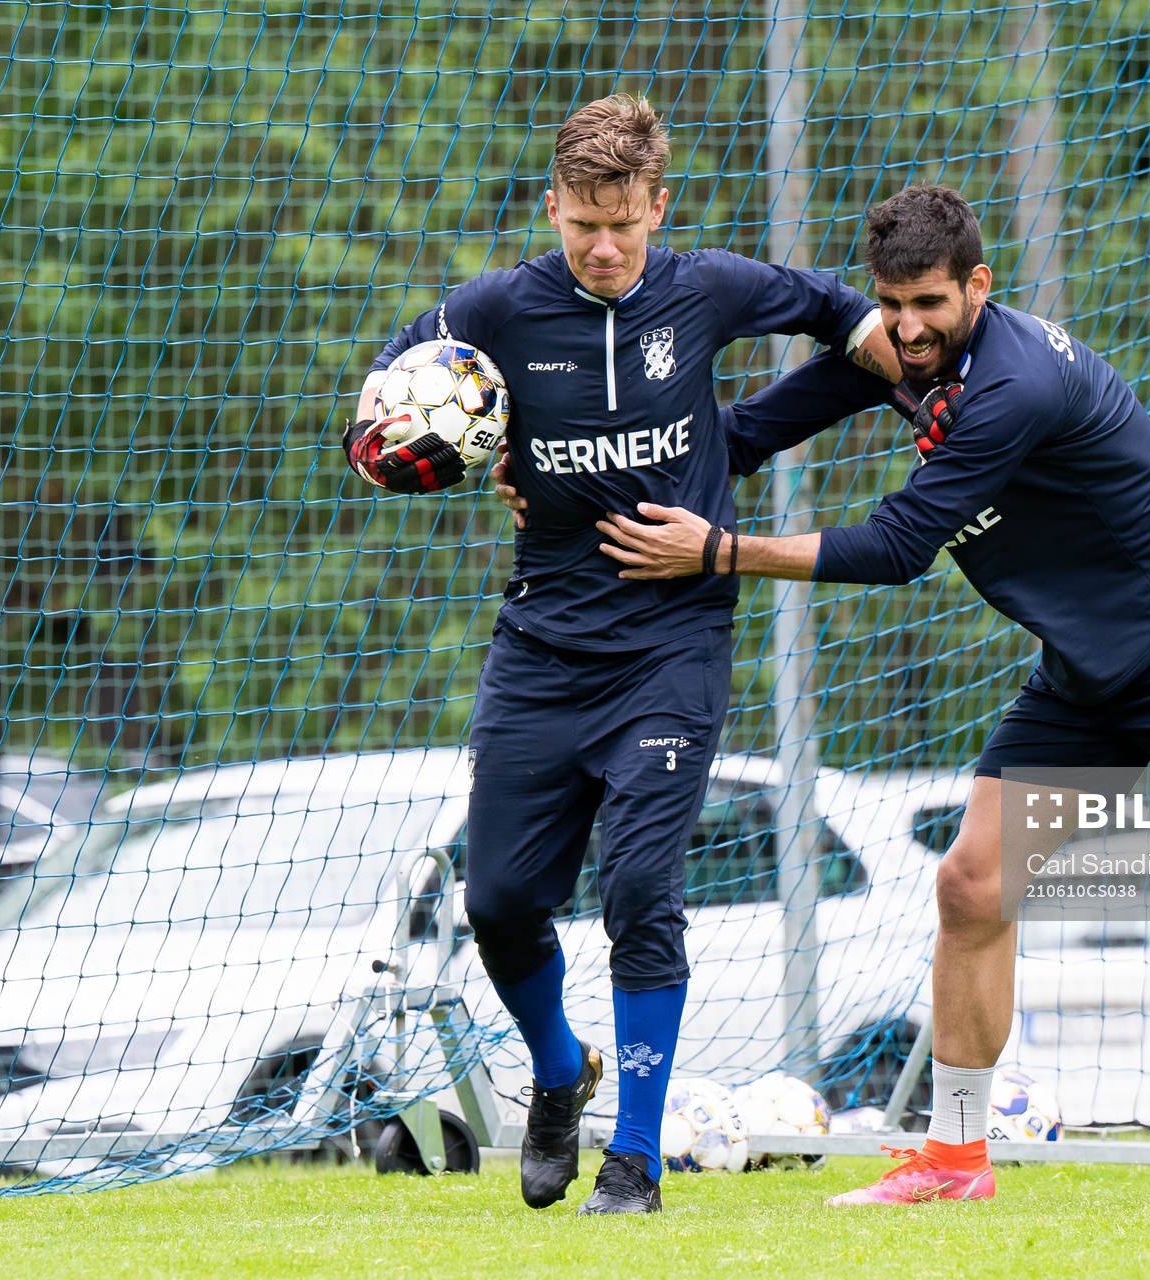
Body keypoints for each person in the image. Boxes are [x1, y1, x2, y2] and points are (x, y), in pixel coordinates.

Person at [588, 184, 1150, 1205]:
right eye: (890, 304)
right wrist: (578, 482)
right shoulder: (900, 354)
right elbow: (742, 436)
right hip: (1088, 672)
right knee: (970, 886)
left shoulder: (1016, 385)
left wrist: (718, 551)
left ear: (978, 288)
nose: (906, 328)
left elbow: (902, 547)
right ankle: (956, 1158)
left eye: (930, 304)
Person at [344, 94, 898, 1215]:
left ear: (658, 208)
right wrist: (473, 455)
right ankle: (558, 1069)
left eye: (625, 226)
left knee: (643, 885)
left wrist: (740, 439)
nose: (603, 248)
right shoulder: (497, 306)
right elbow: (384, 402)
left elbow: (850, 327)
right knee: (498, 899)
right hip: (543, 641)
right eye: (582, 223)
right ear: (552, 207)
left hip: (671, 642)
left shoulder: (708, 289)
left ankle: (635, 1162)